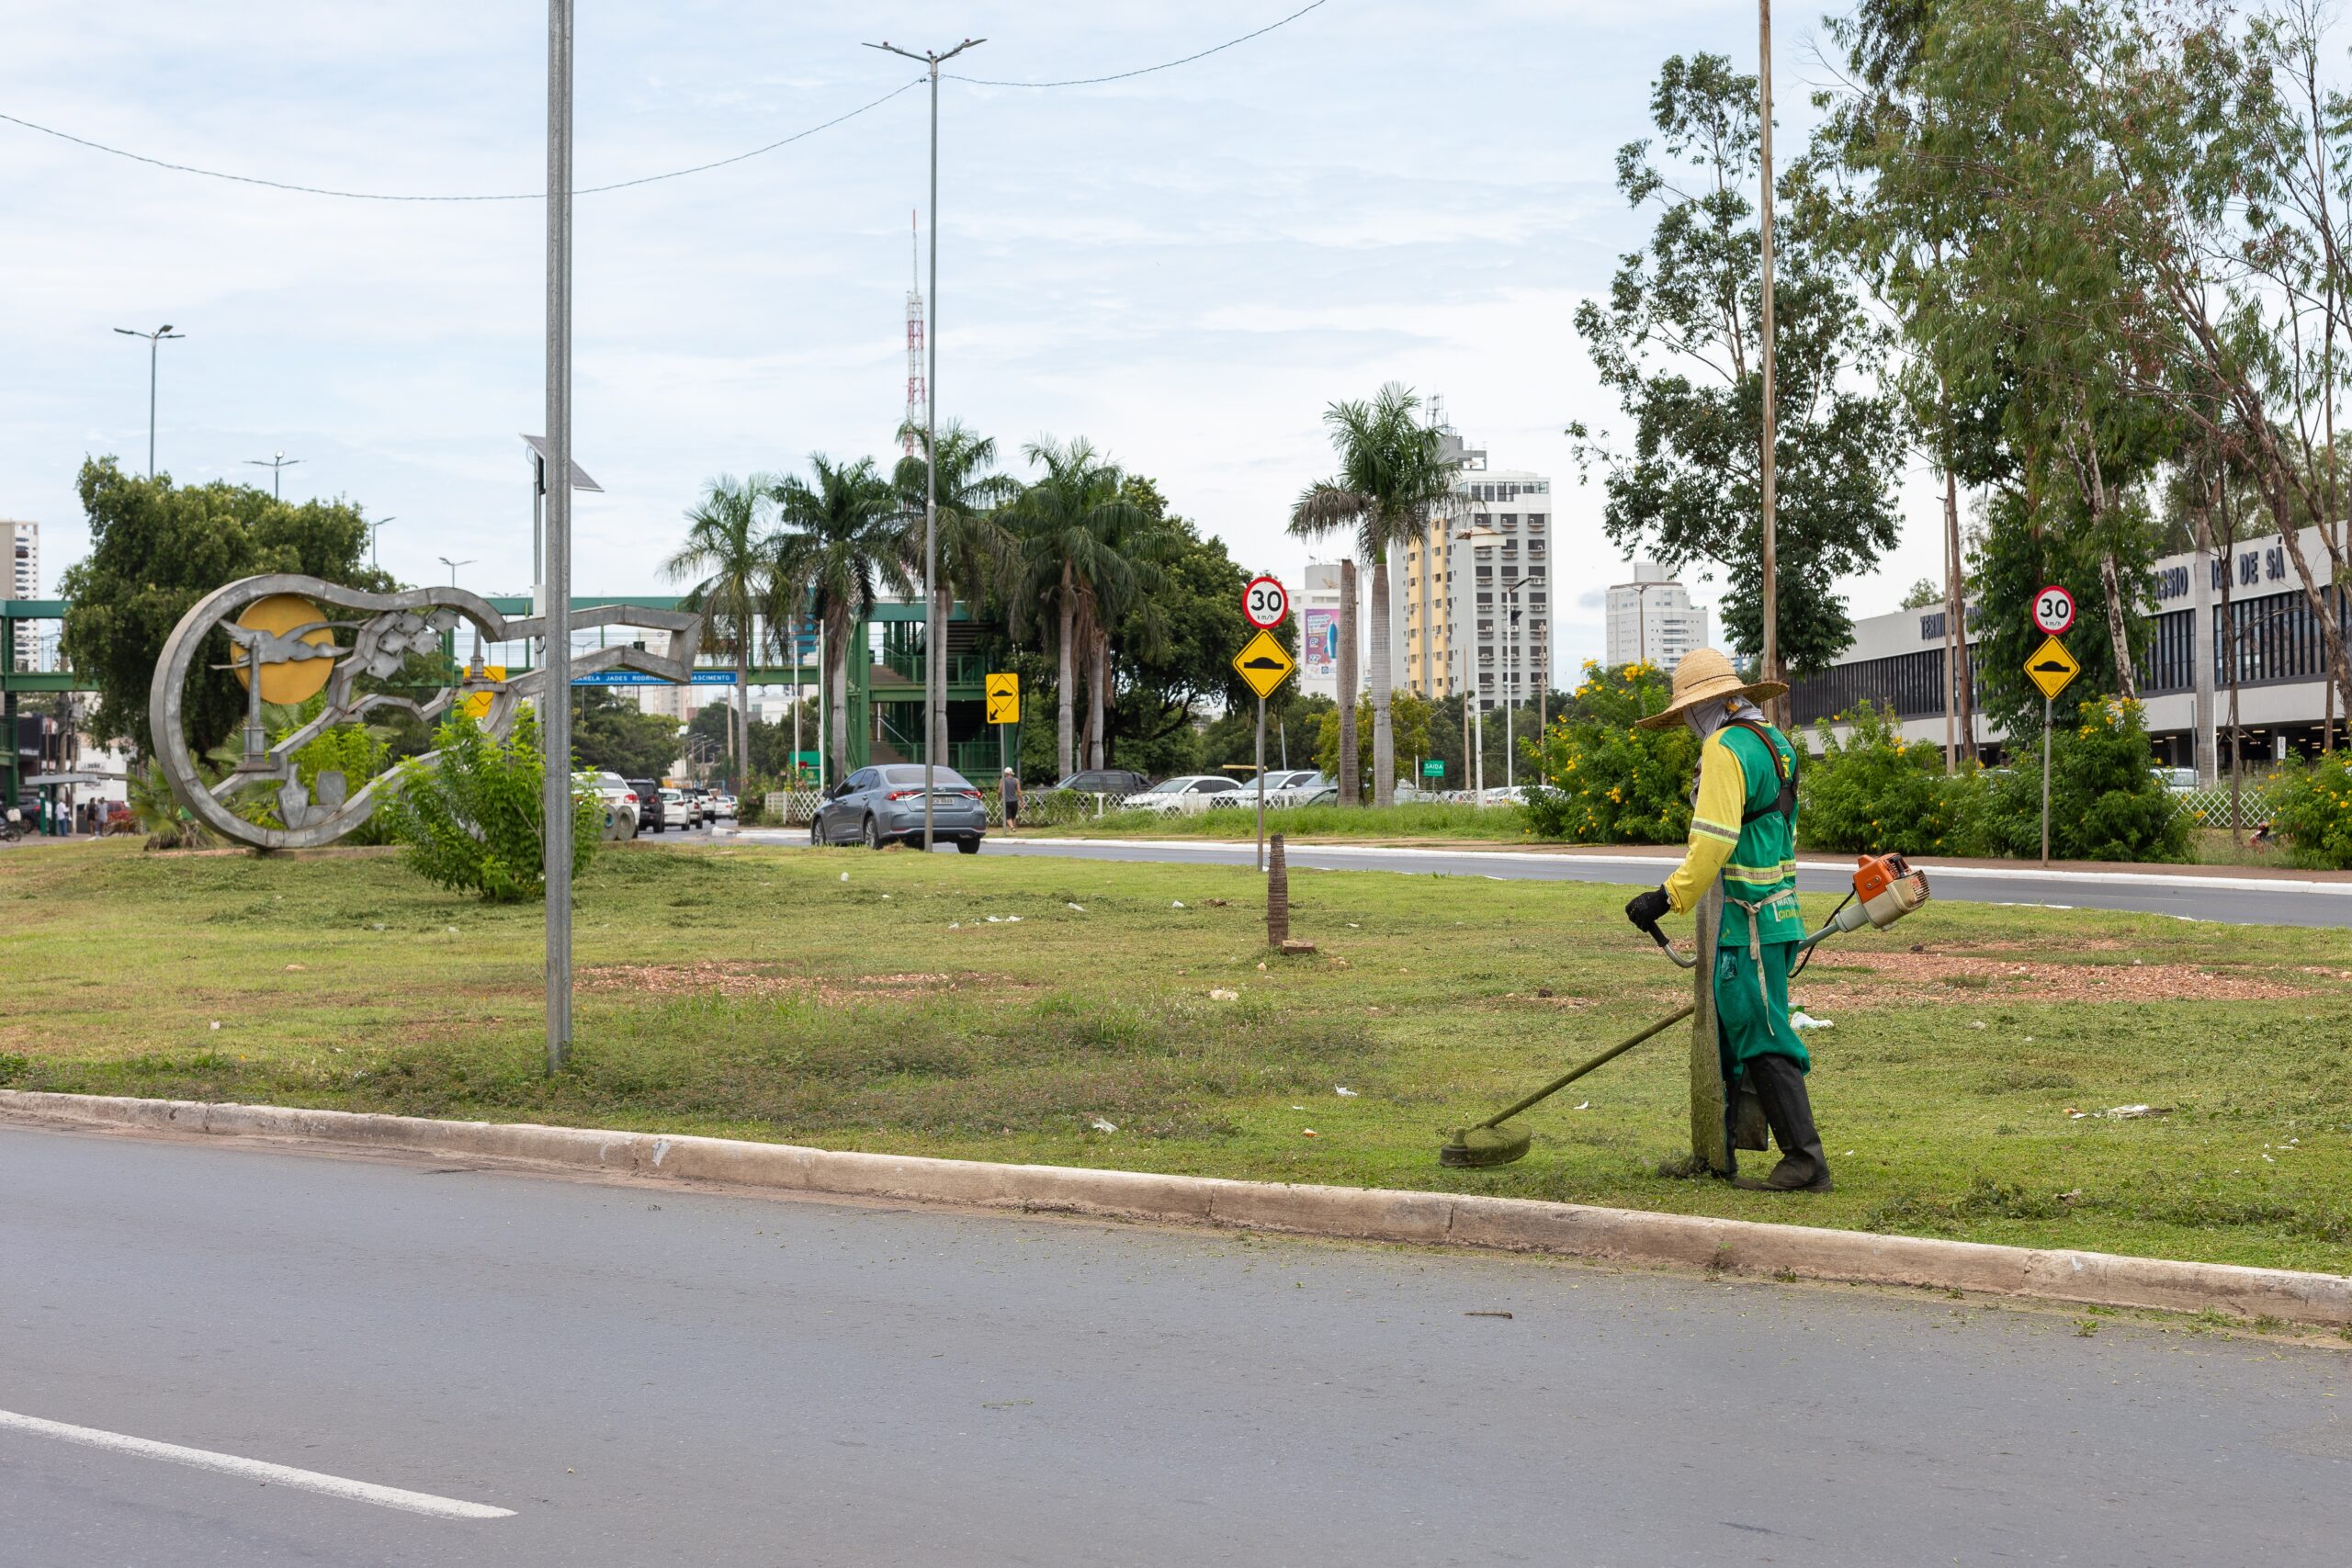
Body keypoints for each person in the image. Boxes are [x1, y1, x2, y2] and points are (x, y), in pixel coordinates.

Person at [1621, 649, 1830, 1193]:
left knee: (1762, 1033)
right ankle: (1726, 1152)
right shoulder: (1776, 743)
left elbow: (1714, 840)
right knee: (1744, 1031)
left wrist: (1664, 898)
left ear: (1704, 707)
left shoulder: (1723, 747)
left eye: (1688, 714)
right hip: (1779, 916)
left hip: (1747, 920)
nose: (1689, 724)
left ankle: (1805, 1162)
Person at [1001, 767, 1023, 831]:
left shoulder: (1002, 780)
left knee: (1008, 815)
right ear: (1011, 773)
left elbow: (999, 790)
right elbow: (1018, 791)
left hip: (1006, 801)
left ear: (1005, 773)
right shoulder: (1016, 780)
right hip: (1014, 800)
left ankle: (1012, 827)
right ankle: (1013, 827)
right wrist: (1022, 800)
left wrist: (998, 796)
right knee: (1013, 815)